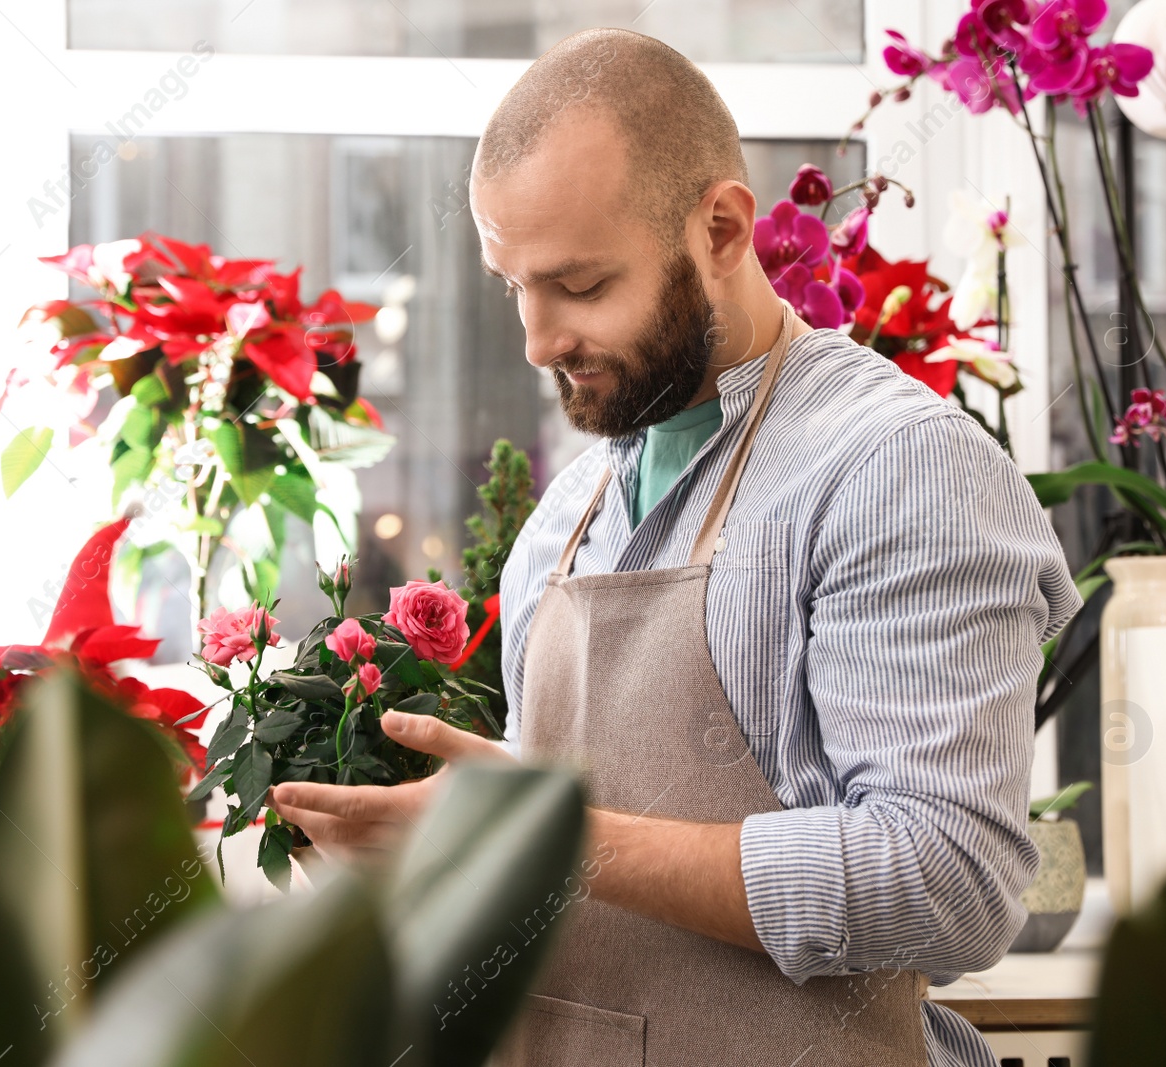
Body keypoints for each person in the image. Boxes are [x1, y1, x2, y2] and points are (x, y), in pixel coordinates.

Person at [266, 27, 1081, 1067]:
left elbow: (951, 886)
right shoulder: (563, 517)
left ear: (724, 230)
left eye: (583, 283)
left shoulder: (897, 469)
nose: (537, 338)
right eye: (511, 282)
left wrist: (544, 837)